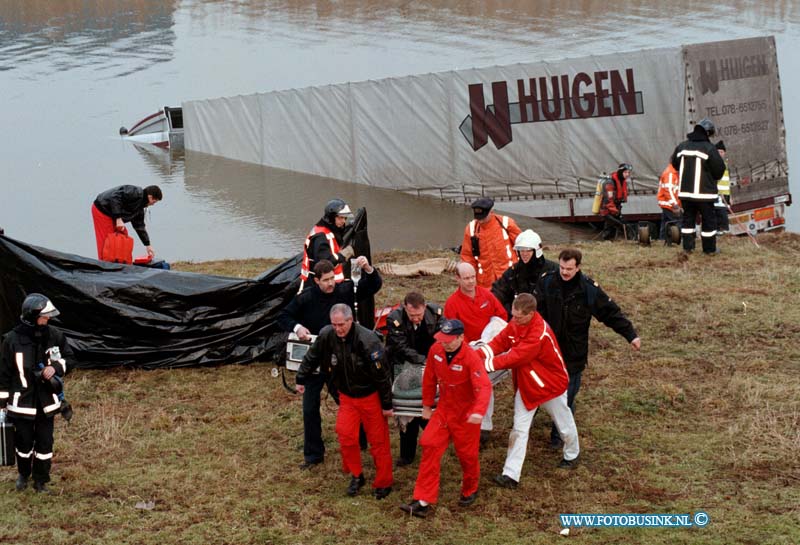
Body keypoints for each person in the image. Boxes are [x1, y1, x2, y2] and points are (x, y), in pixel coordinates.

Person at [277, 258, 381, 469]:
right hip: (316, 360)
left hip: (341, 361)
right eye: (326, 280)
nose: (331, 283)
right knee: (309, 409)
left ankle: (360, 440)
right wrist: (298, 328)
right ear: (316, 281)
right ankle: (313, 455)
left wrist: (368, 269)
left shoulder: (343, 291)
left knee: (349, 402)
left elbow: (372, 286)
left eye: (333, 278)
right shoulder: (305, 298)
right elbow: (283, 316)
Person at [535, 248, 640, 448]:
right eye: (562, 268)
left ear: (578, 268)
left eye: (569, 269)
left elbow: (610, 313)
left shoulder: (588, 290)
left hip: (574, 353)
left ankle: (559, 436)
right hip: (549, 350)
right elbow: (535, 313)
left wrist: (631, 335)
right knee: (544, 389)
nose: (564, 272)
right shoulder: (547, 282)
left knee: (567, 396)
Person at [478, 294, 580, 490]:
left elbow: (512, 358)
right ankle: (510, 474)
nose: (513, 321)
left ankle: (572, 454)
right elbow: (499, 343)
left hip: (550, 386)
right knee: (519, 428)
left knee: (563, 422)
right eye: (513, 316)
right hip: (528, 385)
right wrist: (477, 355)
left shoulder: (538, 334)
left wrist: (481, 365)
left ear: (531, 314)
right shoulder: (516, 324)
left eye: (518, 317)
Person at [296, 304, 394, 500]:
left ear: (351, 320)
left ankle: (384, 482)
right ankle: (357, 475)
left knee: (378, 441)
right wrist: (301, 377)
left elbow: (382, 375)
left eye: (341, 324)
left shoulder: (368, 341)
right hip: (347, 397)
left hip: (369, 397)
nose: (338, 329)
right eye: (334, 325)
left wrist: (386, 405)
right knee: (345, 435)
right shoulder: (327, 335)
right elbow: (312, 356)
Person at [399, 319, 492, 518]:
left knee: (467, 456)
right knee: (429, 444)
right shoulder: (436, 350)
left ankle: (470, 488)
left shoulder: (471, 358)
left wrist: (478, 411)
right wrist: (426, 405)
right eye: (443, 339)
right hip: (443, 410)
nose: (445, 343)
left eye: (449, 340)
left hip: (465, 416)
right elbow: (429, 378)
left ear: (461, 338)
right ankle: (422, 501)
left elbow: (483, 386)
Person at [0, 294, 73, 493]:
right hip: (20, 403)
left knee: (45, 443)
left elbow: (70, 358)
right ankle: (23, 474)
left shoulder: (54, 335)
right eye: (44, 316)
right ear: (32, 316)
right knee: (23, 444)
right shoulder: (11, 340)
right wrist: (2, 403)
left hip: (46, 403)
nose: (47, 319)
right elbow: (4, 373)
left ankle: (41, 480)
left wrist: (56, 367)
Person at [444, 262, 506, 445]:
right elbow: (451, 333)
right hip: (466, 352)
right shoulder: (452, 303)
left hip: (487, 350)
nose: (471, 282)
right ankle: (468, 425)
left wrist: (491, 341)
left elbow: (501, 317)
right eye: (466, 278)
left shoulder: (486, 295)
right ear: (457, 279)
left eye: (473, 277)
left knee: (486, 385)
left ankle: (485, 426)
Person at [385, 292, 444, 467]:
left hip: (429, 366)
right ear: (405, 308)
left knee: (429, 404)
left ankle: (433, 441)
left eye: (419, 315)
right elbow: (400, 347)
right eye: (412, 316)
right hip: (404, 366)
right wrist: (425, 361)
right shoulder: (394, 319)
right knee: (406, 409)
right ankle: (407, 454)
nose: (416, 319)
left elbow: (441, 338)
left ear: (425, 307)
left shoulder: (436, 314)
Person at [671, 118, 727, 254]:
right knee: (708, 222)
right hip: (704, 195)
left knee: (687, 221)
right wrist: (710, 179)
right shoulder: (709, 149)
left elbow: (674, 163)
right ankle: (709, 249)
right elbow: (719, 169)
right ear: (707, 133)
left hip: (685, 193)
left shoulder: (682, 147)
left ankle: (688, 248)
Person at [491, 229, 558, 318]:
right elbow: (498, 291)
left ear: (536, 251)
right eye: (521, 250)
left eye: (528, 250)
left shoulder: (552, 271)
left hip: (543, 319)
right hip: (518, 318)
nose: (524, 254)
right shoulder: (514, 271)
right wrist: (509, 313)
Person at [460, 197, 521, 288]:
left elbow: (522, 247)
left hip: (509, 278)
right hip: (485, 282)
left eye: (483, 217)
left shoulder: (506, 223)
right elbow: (468, 256)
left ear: (491, 211)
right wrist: (469, 279)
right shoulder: (471, 228)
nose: (480, 220)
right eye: (478, 218)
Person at [299, 198, 356, 292]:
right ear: (331, 218)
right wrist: (344, 254)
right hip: (318, 286)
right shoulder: (320, 237)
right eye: (340, 218)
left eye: (345, 218)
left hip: (328, 284)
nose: (343, 222)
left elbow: (339, 234)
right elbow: (325, 263)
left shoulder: (329, 229)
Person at [92, 184, 162, 260]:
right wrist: (118, 218)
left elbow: (139, 226)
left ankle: (119, 262)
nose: (153, 204)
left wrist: (148, 245)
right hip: (102, 209)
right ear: (150, 197)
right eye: (154, 202)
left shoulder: (139, 208)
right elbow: (114, 197)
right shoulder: (135, 192)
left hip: (113, 214)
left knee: (123, 235)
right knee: (107, 240)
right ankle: (104, 264)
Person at [599, 163, 632, 241]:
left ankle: (610, 241)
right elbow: (608, 200)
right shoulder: (609, 183)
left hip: (615, 209)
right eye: (625, 172)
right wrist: (616, 212)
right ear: (620, 172)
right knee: (620, 226)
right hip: (607, 210)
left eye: (628, 172)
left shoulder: (622, 181)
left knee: (611, 228)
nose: (627, 174)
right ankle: (609, 241)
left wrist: (617, 211)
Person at [657, 163, 682, 240]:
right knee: (677, 222)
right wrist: (675, 205)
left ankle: (662, 240)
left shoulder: (672, 172)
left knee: (665, 223)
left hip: (667, 203)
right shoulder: (670, 174)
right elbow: (668, 191)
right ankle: (679, 239)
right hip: (670, 205)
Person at [713, 140, 731, 234]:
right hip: (717, 197)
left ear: (725, 153)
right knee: (719, 219)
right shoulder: (713, 164)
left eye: (721, 152)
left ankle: (724, 234)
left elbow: (727, 182)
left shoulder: (726, 165)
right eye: (718, 152)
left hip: (725, 197)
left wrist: (731, 197)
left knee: (724, 219)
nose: (720, 154)